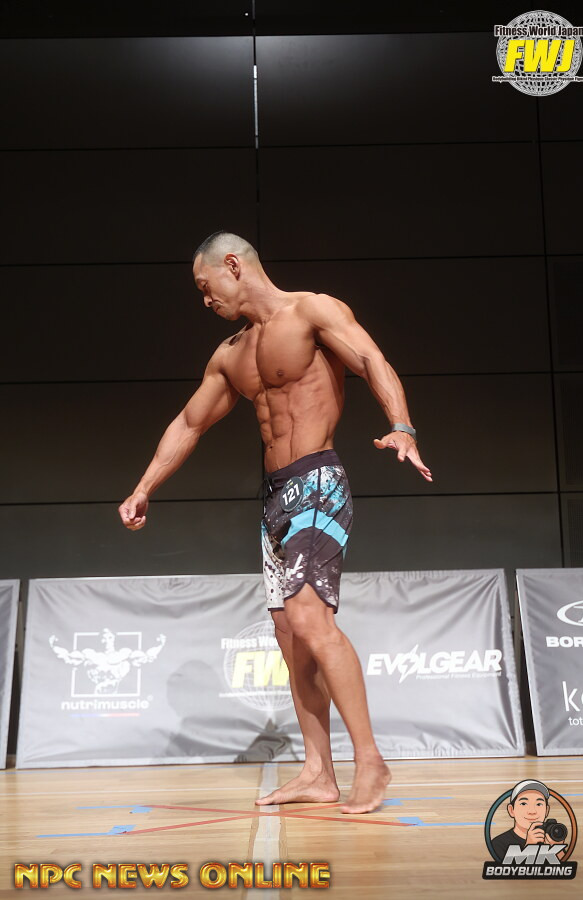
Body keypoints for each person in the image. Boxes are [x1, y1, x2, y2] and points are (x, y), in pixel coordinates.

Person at [118, 230, 433, 814]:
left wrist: (402, 426)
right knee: (289, 635)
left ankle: (370, 760)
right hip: (274, 500)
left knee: (310, 619)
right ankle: (318, 772)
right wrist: (143, 487)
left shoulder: (312, 310)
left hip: (316, 480)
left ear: (232, 265)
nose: (205, 299)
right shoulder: (229, 354)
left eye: (205, 285)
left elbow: (372, 359)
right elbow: (189, 423)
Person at [491, 780, 566, 861]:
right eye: (523, 804)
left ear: (547, 810)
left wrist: (558, 850)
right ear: (511, 810)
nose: (532, 811)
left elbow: (564, 867)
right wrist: (529, 847)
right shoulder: (498, 844)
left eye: (539, 804)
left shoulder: (551, 838)